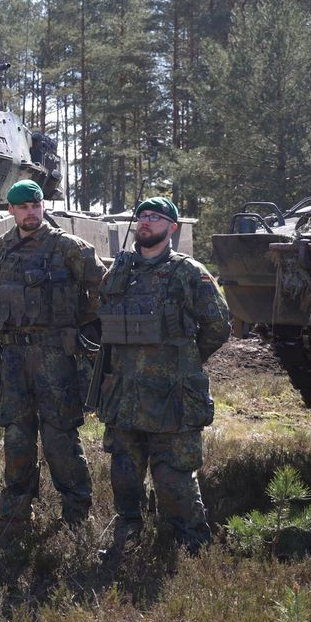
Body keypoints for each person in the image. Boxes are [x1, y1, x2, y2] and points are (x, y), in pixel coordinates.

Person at [94, 196, 231, 557]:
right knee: (124, 472)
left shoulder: (189, 272)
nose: (146, 222)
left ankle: (193, 548)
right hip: (125, 393)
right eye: (142, 216)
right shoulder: (119, 272)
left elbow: (218, 324)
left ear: (172, 228)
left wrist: (186, 359)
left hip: (172, 394)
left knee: (174, 479)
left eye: (155, 218)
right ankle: (128, 538)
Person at [0, 179, 105, 539]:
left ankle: (77, 512)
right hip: (14, 356)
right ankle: (16, 511)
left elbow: (101, 287)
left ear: (42, 206)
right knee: (17, 435)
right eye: (22, 207)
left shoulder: (68, 248)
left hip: (55, 356)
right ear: (11, 211)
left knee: (59, 436)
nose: (30, 212)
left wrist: (75, 320)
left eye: (35, 205)